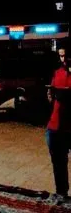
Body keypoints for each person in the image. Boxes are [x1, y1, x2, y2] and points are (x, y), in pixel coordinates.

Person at [46, 47, 71, 201]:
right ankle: (61, 192)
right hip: (56, 125)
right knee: (58, 163)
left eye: (65, 56)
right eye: (60, 56)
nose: (62, 60)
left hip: (66, 125)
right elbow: (52, 96)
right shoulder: (58, 72)